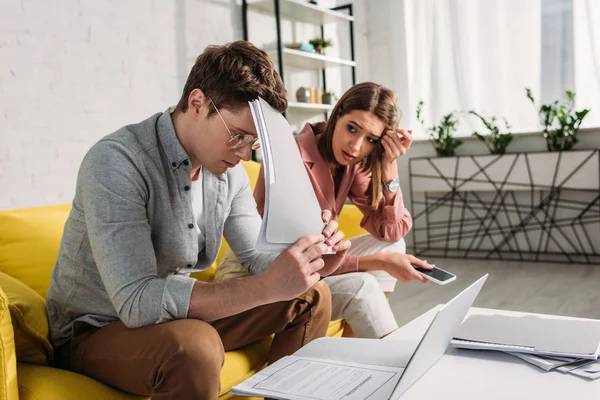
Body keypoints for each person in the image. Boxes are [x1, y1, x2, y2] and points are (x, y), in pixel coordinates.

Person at [45, 41, 351, 400]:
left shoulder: (229, 173)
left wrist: (315, 261)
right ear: (197, 103)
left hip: (168, 317)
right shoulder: (117, 162)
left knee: (313, 294)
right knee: (196, 346)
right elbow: (136, 300)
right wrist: (267, 287)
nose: (242, 153)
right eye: (237, 135)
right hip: (95, 327)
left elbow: (256, 256)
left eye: (254, 142)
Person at [215, 82, 432, 339]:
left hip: (310, 265)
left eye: (370, 140)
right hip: (256, 269)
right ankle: (388, 359)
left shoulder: (350, 164)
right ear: (336, 114)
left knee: (393, 247)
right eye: (352, 128)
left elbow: (391, 231)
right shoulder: (292, 155)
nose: (356, 146)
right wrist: (376, 263)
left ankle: (357, 350)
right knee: (364, 285)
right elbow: (291, 258)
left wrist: (389, 167)